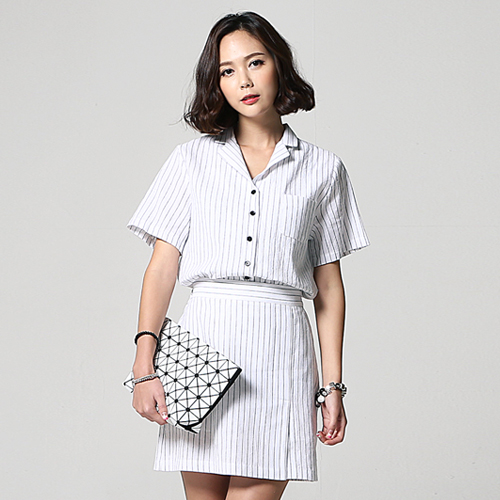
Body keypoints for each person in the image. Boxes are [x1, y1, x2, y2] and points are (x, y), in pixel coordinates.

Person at [126, 11, 370, 500]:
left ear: (278, 65)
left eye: (255, 62)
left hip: (281, 351)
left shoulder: (324, 170)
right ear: (216, 82)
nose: (244, 80)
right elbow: (163, 267)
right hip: (203, 349)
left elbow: (329, 287)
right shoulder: (190, 161)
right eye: (227, 70)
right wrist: (144, 364)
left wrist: (333, 385)